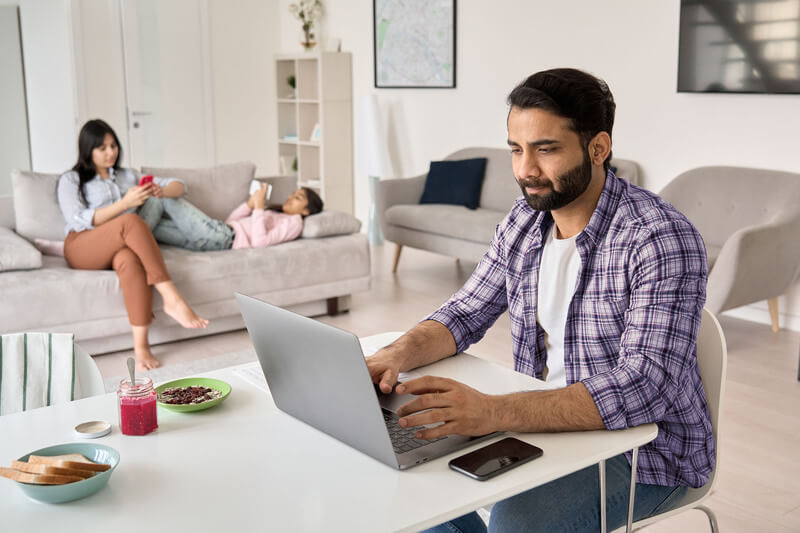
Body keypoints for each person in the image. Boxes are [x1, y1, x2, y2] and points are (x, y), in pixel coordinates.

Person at [367, 68, 712, 532]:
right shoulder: (527, 220)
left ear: (598, 148)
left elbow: (644, 388)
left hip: (644, 453)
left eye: (545, 149)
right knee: (399, 480)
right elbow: (467, 310)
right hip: (542, 423)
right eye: (516, 149)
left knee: (516, 524)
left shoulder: (659, 237)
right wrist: (394, 355)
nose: (525, 169)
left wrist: (491, 411)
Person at [57, 119, 213, 370]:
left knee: (130, 259)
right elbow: (77, 220)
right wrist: (125, 203)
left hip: (120, 246)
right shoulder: (71, 179)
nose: (110, 153)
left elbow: (179, 186)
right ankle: (172, 297)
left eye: (113, 146)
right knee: (130, 221)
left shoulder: (128, 175)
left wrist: (162, 191)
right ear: (88, 150)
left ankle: (141, 347)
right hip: (82, 246)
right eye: (102, 148)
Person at [224, 183, 323, 249]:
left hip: (229, 237)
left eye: (297, 197)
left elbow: (259, 242)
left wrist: (259, 207)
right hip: (223, 229)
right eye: (292, 194)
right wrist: (250, 204)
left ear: (306, 211)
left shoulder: (294, 223)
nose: (289, 197)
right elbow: (229, 222)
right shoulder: (276, 213)